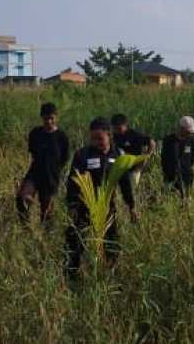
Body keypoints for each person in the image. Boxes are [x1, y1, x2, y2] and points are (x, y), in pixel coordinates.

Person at [64, 117, 139, 278]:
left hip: (107, 208)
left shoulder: (118, 155)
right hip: (84, 207)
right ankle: (71, 276)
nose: (96, 141)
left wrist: (131, 206)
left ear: (109, 135)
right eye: (93, 138)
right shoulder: (82, 155)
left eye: (100, 138)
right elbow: (72, 183)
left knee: (111, 244)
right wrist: (72, 207)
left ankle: (109, 276)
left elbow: (125, 184)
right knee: (75, 242)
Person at [17, 102, 69, 225]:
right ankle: (26, 229)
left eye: (52, 118)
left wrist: (55, 171)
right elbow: (32, 154)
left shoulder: (61, 137)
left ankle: (44, 238)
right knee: (21, 198)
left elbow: (64, 158)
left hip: (51, 176)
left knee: (47, 214)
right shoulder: (35, 133)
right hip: (35, 173)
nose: (49, 121)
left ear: (56, 117)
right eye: (46, 118)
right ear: (42, 118)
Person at [161, 115, 194, 199]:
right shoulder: (168, 141)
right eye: (187, 131)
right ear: (181, 128)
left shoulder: (192, 141)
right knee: (169, 200)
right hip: (170, 179)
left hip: (187, 178)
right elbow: (163, 159)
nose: (189, 133)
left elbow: (193, 157)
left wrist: (187, 168)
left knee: (186, 202)